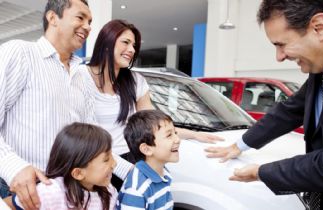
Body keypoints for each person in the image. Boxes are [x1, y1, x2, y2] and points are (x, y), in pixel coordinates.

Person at [205, 0, 323, 209]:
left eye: (281, 44)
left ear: (319, 27)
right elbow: (292, 108)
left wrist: (261, 172)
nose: (279, 57)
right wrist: (239, 144)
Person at [78, 19, 223, 189]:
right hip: (95, 162)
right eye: (125, 42)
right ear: (107, 43)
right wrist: (126, 170)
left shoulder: (134, 81)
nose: (131, 50)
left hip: (132, 158)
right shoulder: (80, 77)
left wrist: (194, 134)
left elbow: (153, 125)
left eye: (134, 45)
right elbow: (83, 135)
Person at [0, 0, 93, 209]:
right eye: (80, 17)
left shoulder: (82, 75)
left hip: (67, 192)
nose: (87, 26)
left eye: (90, 21)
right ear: (53, 18)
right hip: (19, 190)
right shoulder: (20, 53)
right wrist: (14, 167)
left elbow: (90, 136)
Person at [11, 122, 118, 210]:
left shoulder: (109, 192)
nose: (114, 163)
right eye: (106, 159)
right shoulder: (50, 192)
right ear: (78, 173)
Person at [117, 110, 179, 210]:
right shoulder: (136, 189)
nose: (177, 139)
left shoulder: (164, 172)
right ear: (146, 149)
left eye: (175, 133)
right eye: (169, 135)